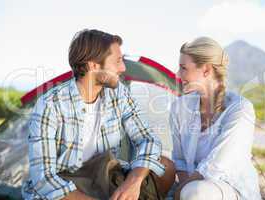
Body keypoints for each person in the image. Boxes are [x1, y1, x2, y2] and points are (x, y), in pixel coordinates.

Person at [22, 29, 175, 200]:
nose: (123, 68)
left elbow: (148, 139)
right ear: (93, 65)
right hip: (67, 184)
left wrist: (133, 181)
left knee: (165, 167)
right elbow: (44, 178)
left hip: (105, 174)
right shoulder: (50, 105)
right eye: (118, 61)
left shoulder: (119, 94)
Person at [170, 37, 261, 200]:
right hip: (188, 188)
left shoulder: (240, 109)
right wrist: (182, 191)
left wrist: (181, 192)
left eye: (183, 68)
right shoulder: (179, 107)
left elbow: (216, 167)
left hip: (231, 188)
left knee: (195, 193)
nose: (178, 74)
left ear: (206, 70)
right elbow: (179, 158)